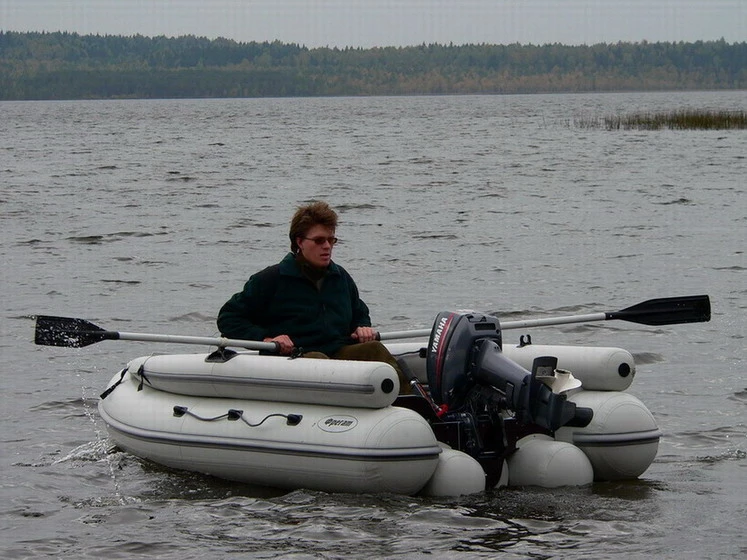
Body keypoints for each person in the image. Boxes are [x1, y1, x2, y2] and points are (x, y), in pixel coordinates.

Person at [217, 201, 410, 394]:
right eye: (319, 241)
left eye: (331, 240)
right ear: (299, 242)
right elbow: (229, 318)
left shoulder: (340, 277)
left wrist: (362, 326)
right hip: (293, 359)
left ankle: (411, 402)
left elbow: (359, 312)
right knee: (318, 360)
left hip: (337, 352)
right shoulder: (271, 279)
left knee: (374, 349)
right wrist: (266, 339)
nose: (327, 246)